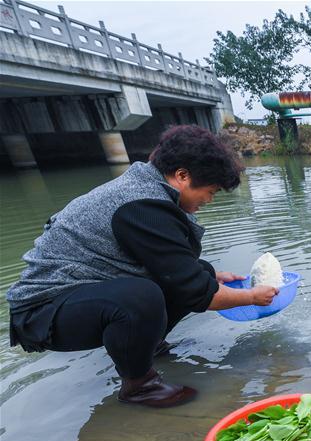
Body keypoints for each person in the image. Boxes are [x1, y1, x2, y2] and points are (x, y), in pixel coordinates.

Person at [6, 125, 280, 408]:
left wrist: (210, 275)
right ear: (182, 176)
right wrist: (253, 297)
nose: (208, 201)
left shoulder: (148, 189)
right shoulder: (141, 205)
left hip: (83, 293)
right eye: (210, 192)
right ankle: (139, 385)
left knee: (199, 273)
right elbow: (200, 295)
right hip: (43, 311)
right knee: (142, 296)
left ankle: (146, 347)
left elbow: (176, 268)